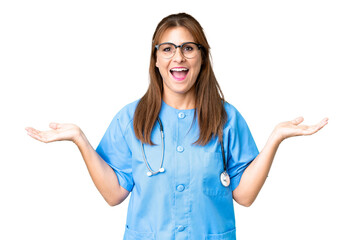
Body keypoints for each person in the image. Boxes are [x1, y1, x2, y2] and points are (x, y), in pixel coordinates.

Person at [25, 12, 328, 240]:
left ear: (202, 57)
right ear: (155, 59)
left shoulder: (227, 118)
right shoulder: (130, 118)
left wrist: (275, 138)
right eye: (167, 48)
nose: (178, 57)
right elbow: (114, 192)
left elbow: (244, 195)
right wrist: (80, 139)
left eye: (188, 48)